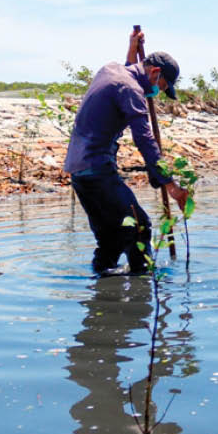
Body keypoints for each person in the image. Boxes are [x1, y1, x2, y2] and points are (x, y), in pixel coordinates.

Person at [63, 29, 189, 275]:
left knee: (111, 240)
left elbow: (130, 70)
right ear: (154, 72)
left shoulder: (111, 70)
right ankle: (143, 286)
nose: (157, 93)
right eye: (161, 86)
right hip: (97, 168)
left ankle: (103, 289)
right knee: (140, 227)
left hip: (78, 171)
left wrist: (132, 48)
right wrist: (171, 185)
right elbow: (144, 139)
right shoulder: (132, 90)